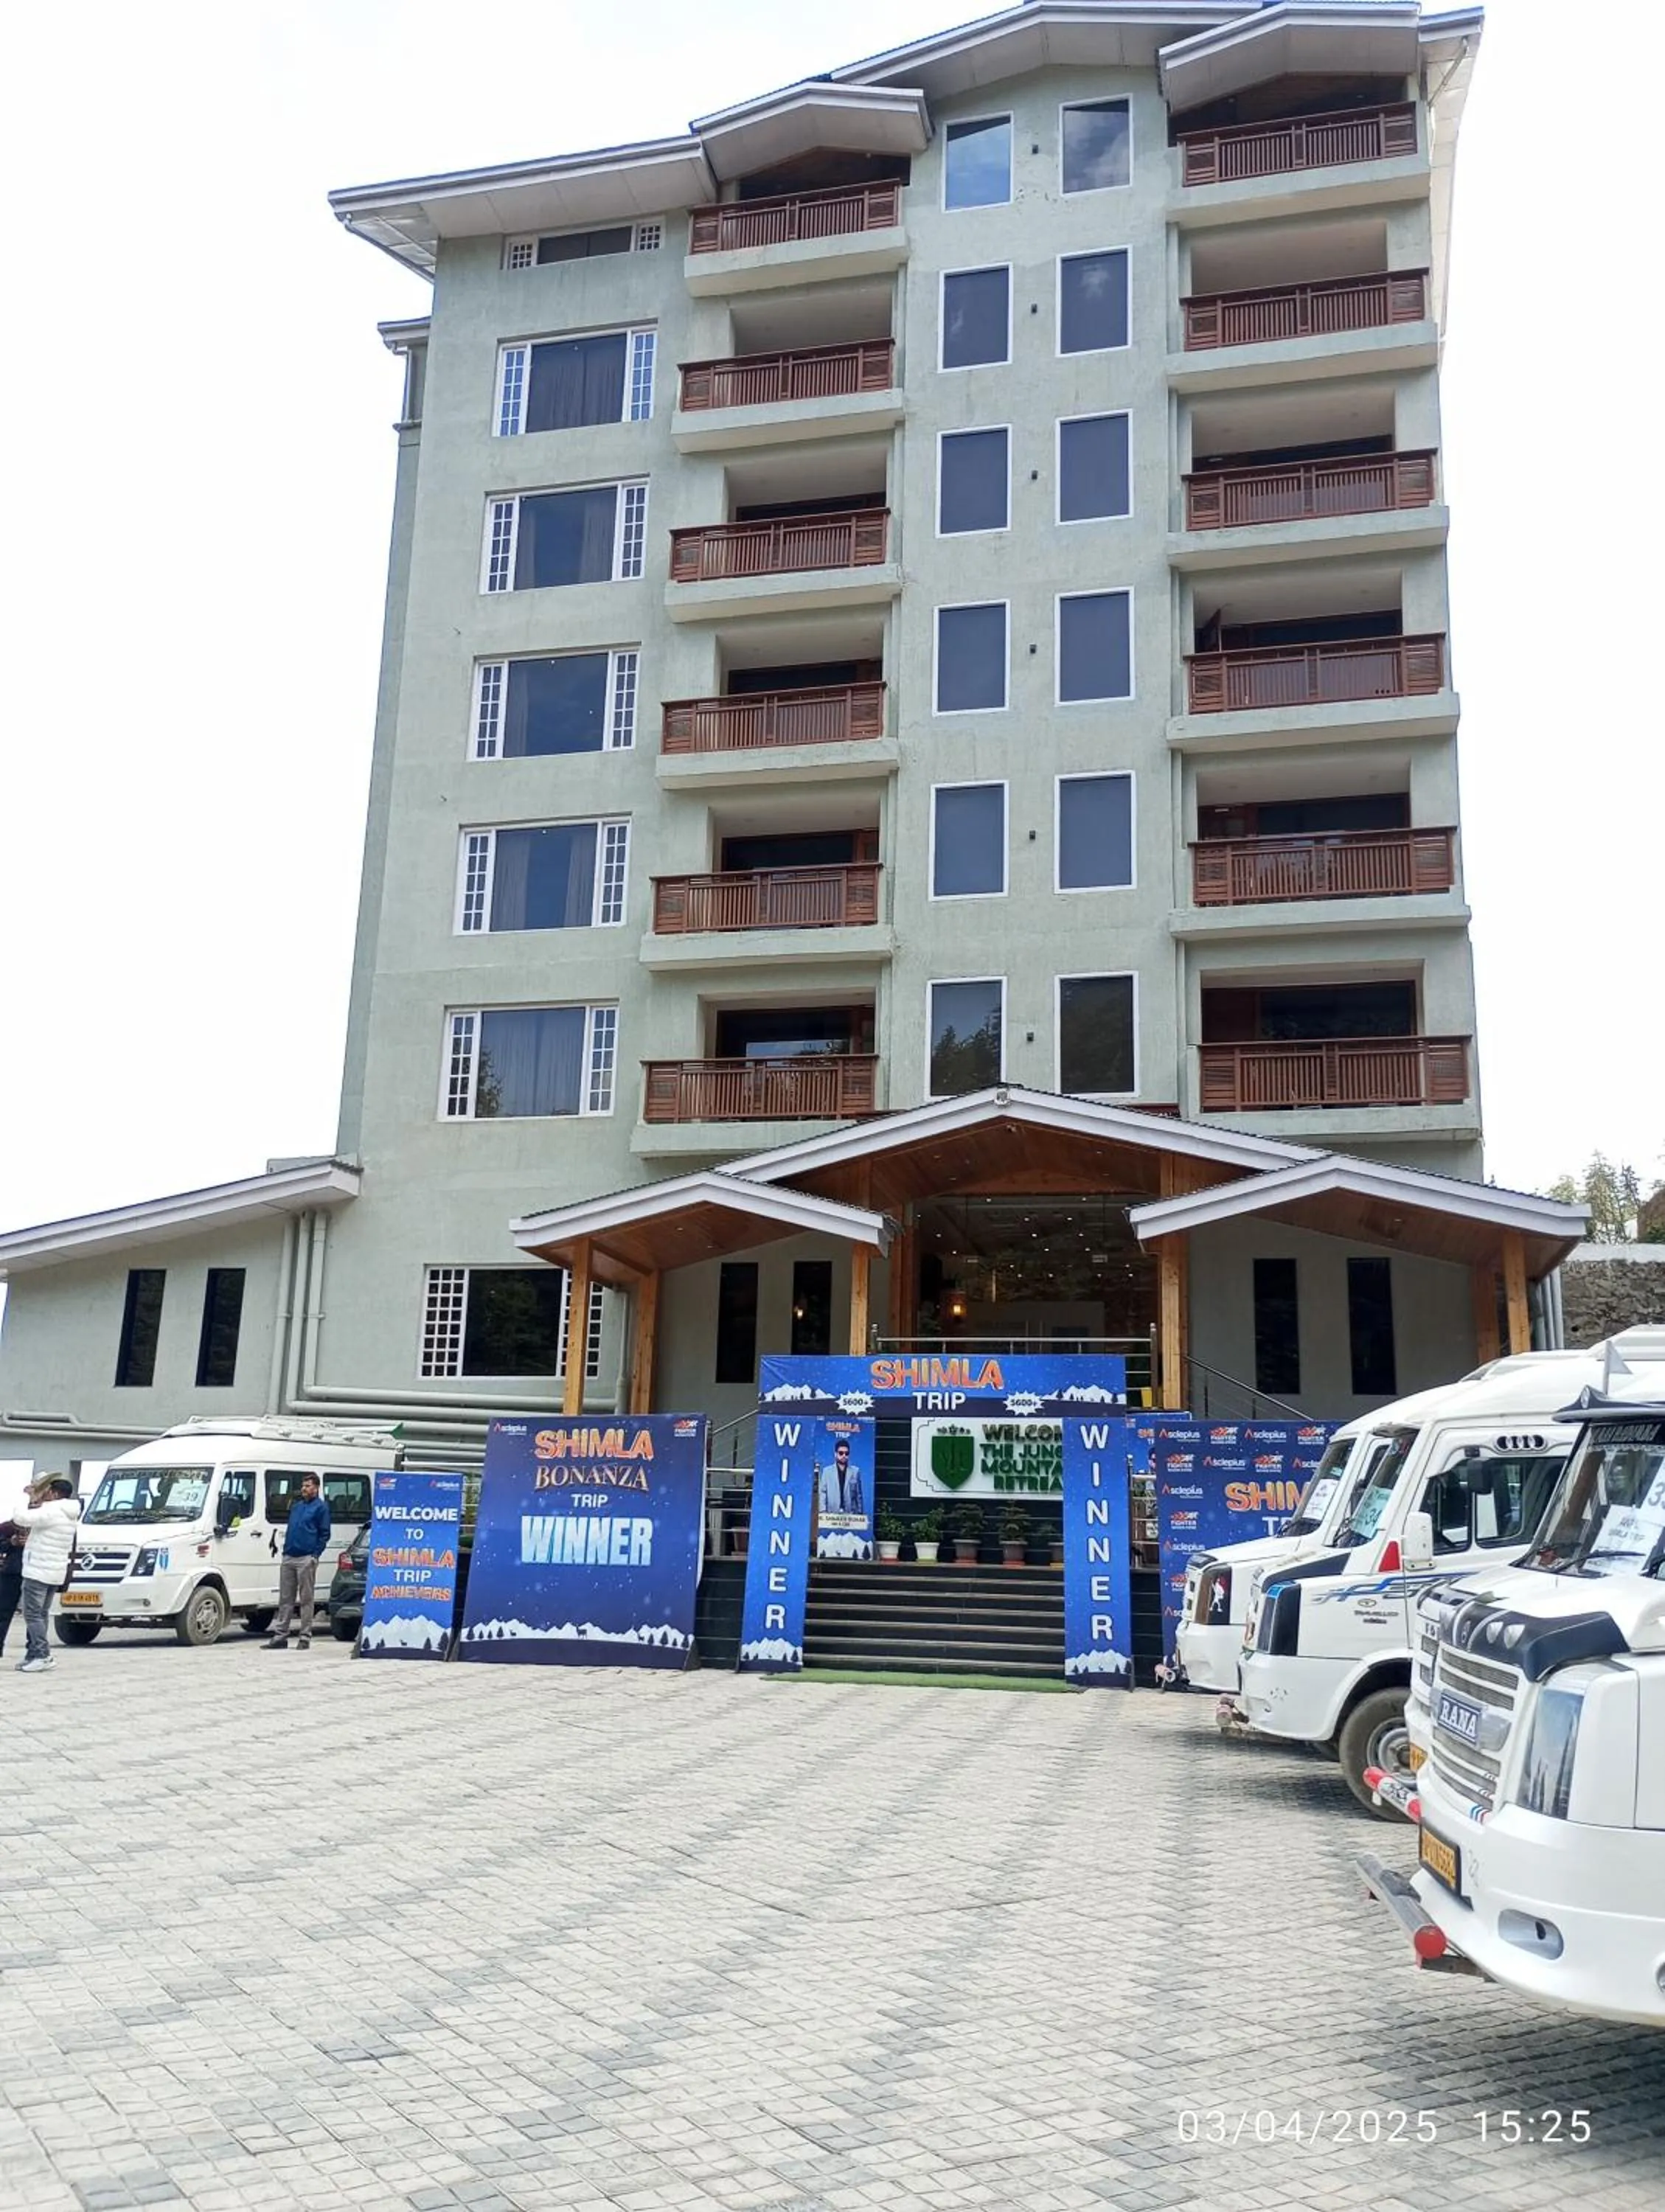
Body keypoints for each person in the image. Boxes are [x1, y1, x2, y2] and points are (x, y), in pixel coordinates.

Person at [12, 1474, 82, 1674]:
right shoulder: (70, 1512)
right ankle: (35, 1654)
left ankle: (42, 1655)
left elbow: (21, 1518)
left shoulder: (53, 1509)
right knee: (41, 1614)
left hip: (38, 1570)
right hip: (54, 1571)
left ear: (54, 1493)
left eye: (47, 1491)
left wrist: (27, 1498)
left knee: (32, 1614)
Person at [265, 1475, 331, 1650]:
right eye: (303, 1486)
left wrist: (315, 1555)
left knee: (306, 1599)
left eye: (308, 1486)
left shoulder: (321, 1508)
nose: (304, 1489)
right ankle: (281, 1636)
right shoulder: (296, 1507)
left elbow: (325, 1534)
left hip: (306, 1558)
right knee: (285, 1599)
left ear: (316, 1488)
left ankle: (305, 1637)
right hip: (289, 1556)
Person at [0, 1511, 25, 1658]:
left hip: (36, 1572)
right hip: (13, 1571)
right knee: (3, 1611)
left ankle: (35, 1651)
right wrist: (11, 1542)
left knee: (35, 1615)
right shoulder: (8, 1527)